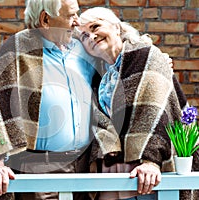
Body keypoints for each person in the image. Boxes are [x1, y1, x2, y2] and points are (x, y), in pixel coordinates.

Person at [0, 0, 107, 199]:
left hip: (85, 165)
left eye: (77, 13)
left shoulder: (84, 46)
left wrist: (155, 58)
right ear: (46, 19)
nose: (76, 21)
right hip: (39, 168)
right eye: (70, 16)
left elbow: (120, 47)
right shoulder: (18, 47)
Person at [76, 7, 188, 200]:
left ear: (116, 28)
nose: (92, 36)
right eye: (84, 36)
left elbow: (154, 110)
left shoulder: (147, 56)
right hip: (111, 171)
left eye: (96, 27)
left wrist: (150, 161)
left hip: (146, 172)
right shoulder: (94, 75)